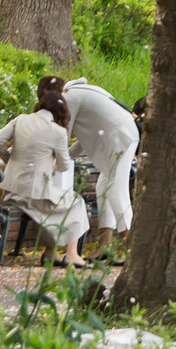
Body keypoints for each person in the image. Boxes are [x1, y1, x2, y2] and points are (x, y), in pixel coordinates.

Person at [0, 95, 91, 266]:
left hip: (10, 190)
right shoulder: (58, 132)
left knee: (57, 206)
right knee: (76, 202)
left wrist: (10, 160)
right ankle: (72, 254)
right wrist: (50, 164)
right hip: (33, 195)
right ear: (61, 113)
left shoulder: (21, 119)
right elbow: (64, 166)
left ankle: (50, 253)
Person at [56, 75, 140, 261]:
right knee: (103, 188)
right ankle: (104, 247)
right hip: (122, 135)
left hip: (121, 138)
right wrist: (66, 156)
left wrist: (57, 157)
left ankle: (132, 249)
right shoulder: (86, 91)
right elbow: (82, 139)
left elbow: (62, 135)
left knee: (117, 191)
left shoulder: (69, 98)